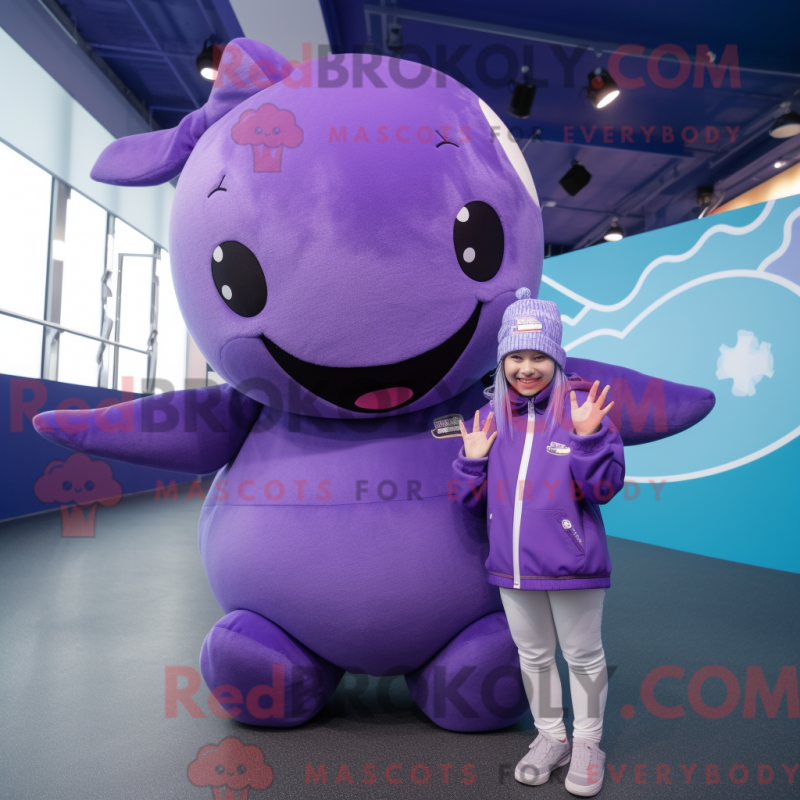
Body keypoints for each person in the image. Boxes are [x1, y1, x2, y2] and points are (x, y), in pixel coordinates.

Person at [453, 288, 625, 797]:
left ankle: (588, 744)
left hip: (573, 564)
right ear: (503, 360)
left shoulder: (581, 410)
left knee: (583, 656)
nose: (526, 368)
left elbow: (605, 488)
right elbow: (469, 501)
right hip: (512, 566)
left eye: (538, 357)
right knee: (533, 657)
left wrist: (589, 438)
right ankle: (552, 737)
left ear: (555, 358)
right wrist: (471, 462)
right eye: (516, 357)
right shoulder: (490, 417)